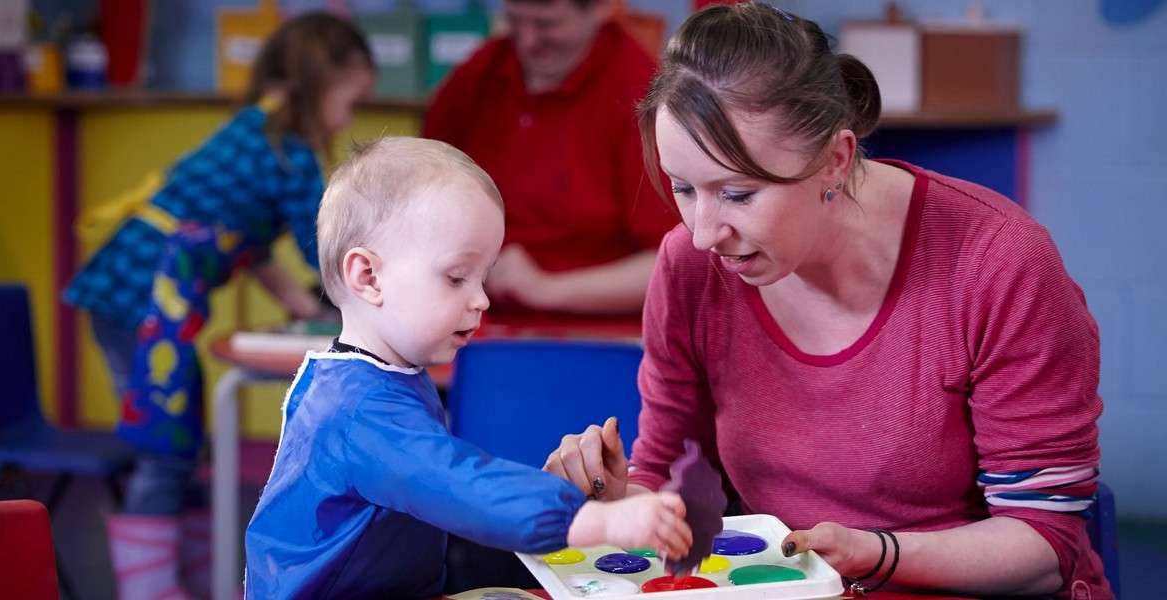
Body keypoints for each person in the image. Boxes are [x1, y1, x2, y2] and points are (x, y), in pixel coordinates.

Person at [543, 4, 1111, 599]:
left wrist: (876, 554)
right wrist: (613, 500)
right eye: (684, 188)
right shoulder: (689, 264)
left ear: (836, 160)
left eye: (737, 193)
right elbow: (670, 485)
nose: (705, 231)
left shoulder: (998, 262)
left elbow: (1045, 545)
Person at [243, 137, 691, 599]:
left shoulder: (376, 377)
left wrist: (546, 494)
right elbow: (455, 482)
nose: (481, 299)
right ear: (368, 277)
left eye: (483, 276)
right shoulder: (359, 408)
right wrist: (594, 520)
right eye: (457, 277)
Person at [62, 14, 375, 599]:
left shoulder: (256, 134)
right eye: (350, 101)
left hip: (139, 296)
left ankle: (200, 580)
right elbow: (325, 247)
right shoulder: (286, 150)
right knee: (165, 445)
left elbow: (250, 244)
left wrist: (304, 300)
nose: (350, 117)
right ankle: (150, 590)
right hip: (139, 296)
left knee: (181, 440)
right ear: (320, 82)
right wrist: (363, 296)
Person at [423, 0, 678, 322]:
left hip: (592, 337)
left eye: (547, 25)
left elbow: (676, 262)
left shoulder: (642, 95)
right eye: (515, 21)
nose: (527, 41)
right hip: (470, 325)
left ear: (600, 9)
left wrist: (544, 288)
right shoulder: (480, 73)